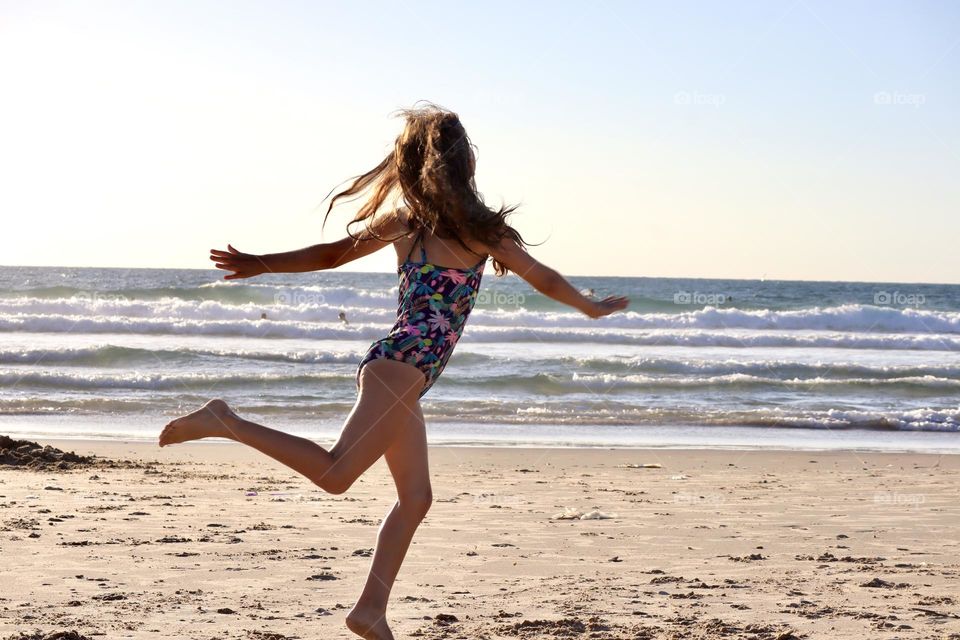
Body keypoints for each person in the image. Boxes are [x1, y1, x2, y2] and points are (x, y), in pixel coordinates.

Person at [158, 104, 629, 639]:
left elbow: (333, 255)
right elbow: (336, 255)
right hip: (399, 369)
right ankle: (225, 421)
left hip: (403, 372)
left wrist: (262, 262)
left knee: (416, 498)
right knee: (336, 475)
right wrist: (588, 307)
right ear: (462, 161)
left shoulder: (434, 225)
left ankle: (370, 611)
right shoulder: (451, 227)